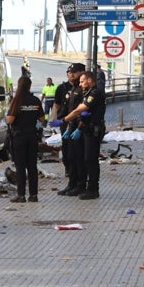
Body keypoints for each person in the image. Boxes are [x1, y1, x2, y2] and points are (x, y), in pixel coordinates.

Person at [64, 70, 106, 199]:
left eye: (82, 81)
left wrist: (64, 120)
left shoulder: (95, 93)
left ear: (89, 80)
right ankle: (88, 187)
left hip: (94, 129)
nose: (81, 84)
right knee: (86, 158)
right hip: (87, 129)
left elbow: (79, 109)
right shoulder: (87, 93)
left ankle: (93, 189)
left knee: (91, 159)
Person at [5, 75, 44, 202]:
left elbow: (10, 120)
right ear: (29, 86)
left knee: (20, 167)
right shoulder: (36, 100)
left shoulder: (16, 101)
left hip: (19, 137)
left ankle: (21, 195)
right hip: (32, 136)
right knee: (32, 166)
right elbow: (42, 119)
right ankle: (34, 195)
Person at [56, 63, 85, 196]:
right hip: (69, 125)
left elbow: (80, 111)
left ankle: (81, 185)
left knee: (80, 158)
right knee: (69, 156)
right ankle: (72, 183)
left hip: (79, 126)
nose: (71, 75)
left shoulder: (83, 90)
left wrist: (72, 124)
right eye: (69, 72)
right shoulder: (69, 88)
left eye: (74, 72)